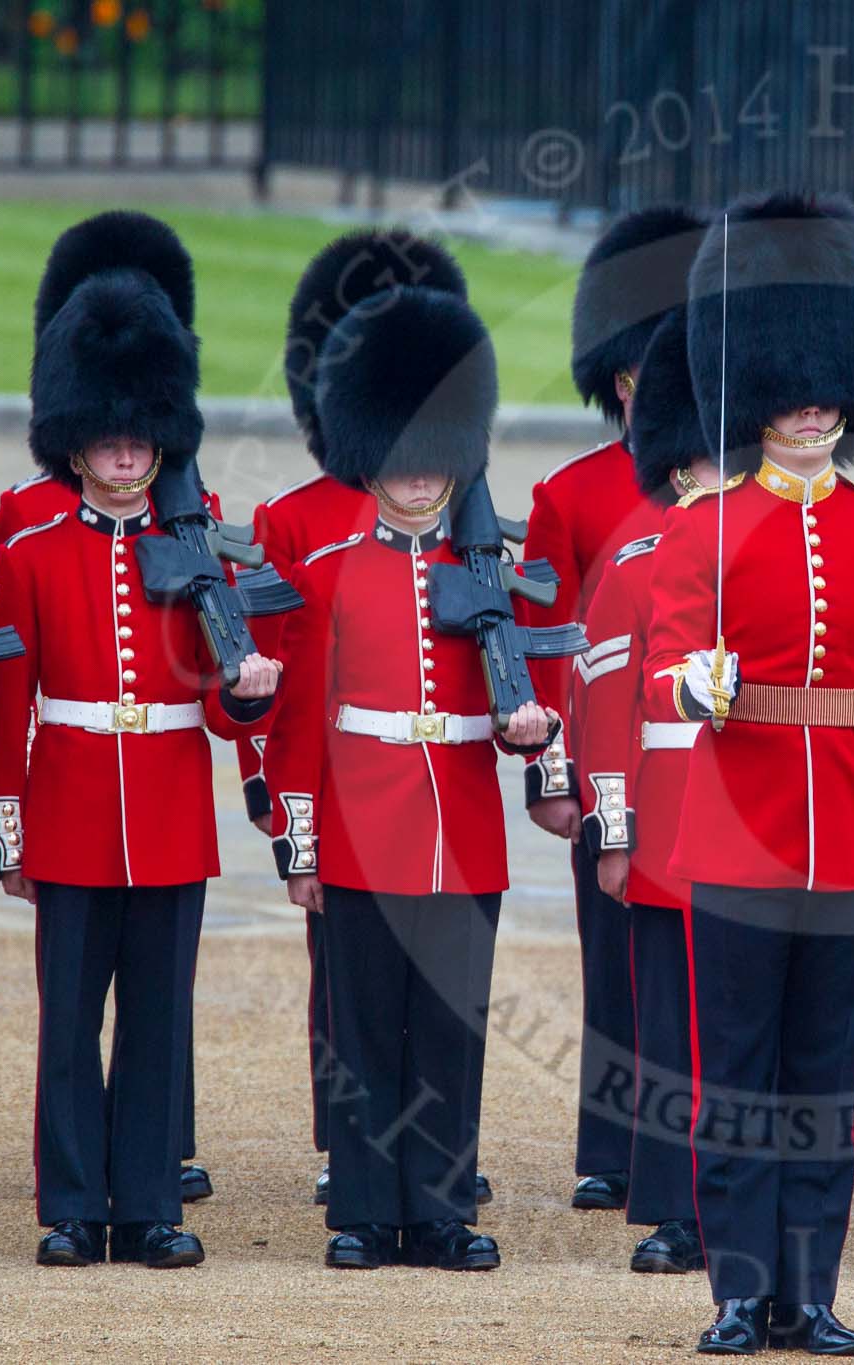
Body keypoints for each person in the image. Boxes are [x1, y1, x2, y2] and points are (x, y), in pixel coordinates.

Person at [643, 191, 854, 1356]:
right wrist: (695, 687)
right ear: (757, 397)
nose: (811, 409)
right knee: (739, 1087)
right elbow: (661, 666)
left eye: (827, 392)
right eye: (792, 390)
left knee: (821, 1087)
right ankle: (735, 1290)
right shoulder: (701, 528)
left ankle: (807, 1293)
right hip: (736, 835)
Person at [0, 211, 280, 1269]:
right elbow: (10, 699)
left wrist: (247, 696)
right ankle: (70, 1205)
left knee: (156, 1021)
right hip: (64, 804)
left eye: (139, 435)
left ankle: (149, 1206)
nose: (122, 451)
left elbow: (216, 702)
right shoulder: (32, 540)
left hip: (162, 805)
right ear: (75, 437)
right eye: (106, 437)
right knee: (69, 1025)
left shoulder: (193, 544)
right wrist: (4, 826)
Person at [265, 269, 545, 1272]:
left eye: (435, 462)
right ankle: (365, 1214)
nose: (420, 479)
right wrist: (299, 843)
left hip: (462, 825)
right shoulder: (329, 572)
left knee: (448, 1031)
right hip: (357, 826)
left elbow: (530, 698)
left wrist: (531, 732)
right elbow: (297, 724)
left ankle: (437, 1211)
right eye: (402, 460)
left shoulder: (492, 575)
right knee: (364, 1034)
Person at [252, 228, 461, 1208]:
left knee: (435, 1002)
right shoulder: (298, 526)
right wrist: (284, 817)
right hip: (342, 798)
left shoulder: (465, 529)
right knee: (350, 994)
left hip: (439, 810)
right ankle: (356, 1153)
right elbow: (286, 695)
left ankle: (432, 1169)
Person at [531, 205, 707, 1213]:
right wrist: (557, 781)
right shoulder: (575, 492)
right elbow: (554, 648)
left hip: (708, 760)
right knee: (616, 966)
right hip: (613, 761)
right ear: (618, 381)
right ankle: (612, 1144)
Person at [571, 309, 721, 1275]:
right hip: (667, 823)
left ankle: (740, 1193)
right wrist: (614, 832)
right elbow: (607, 702)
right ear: (675, 468)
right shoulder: (633, 565)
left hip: (763, 824)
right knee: (668, 1025)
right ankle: (670, 1203)